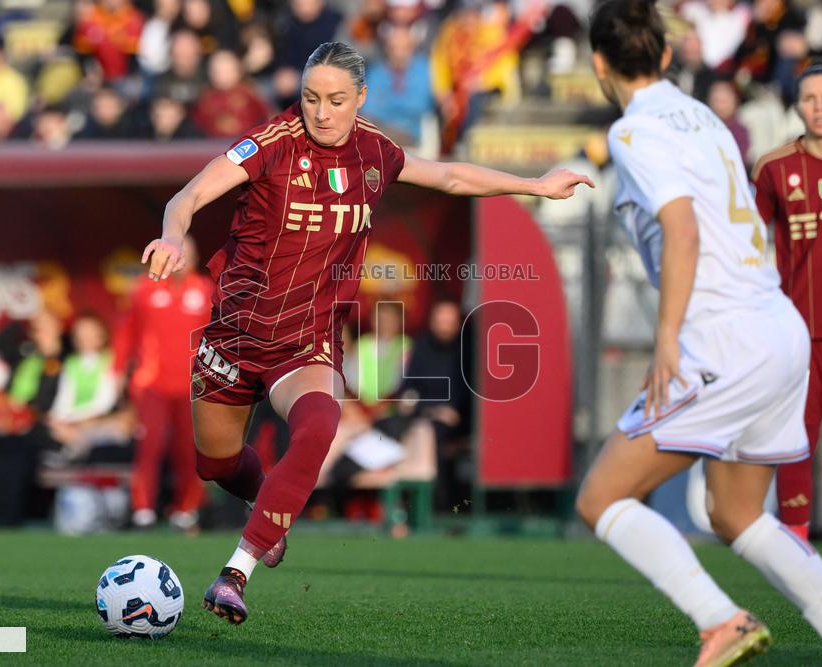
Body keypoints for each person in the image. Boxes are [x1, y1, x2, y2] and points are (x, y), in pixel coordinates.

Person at [142, 40, 592, 625]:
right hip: (234, 335)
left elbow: (452, 176)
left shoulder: (377, 153)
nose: (320, 112)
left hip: (305, 339)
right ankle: (265, 508)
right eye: (310, 98)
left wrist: (534, 185)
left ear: (361, 98)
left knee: (320, 424)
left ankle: (237, 570)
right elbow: (191, 194)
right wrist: (174, 235)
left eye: (334, 100)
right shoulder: (271, 144)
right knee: (216, 465)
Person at [574, 3, 822, 666]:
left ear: (598, 64)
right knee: (737, 514)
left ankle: (720, 619)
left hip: (722, 339)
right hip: (778, 327)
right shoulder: (703, 115)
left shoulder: (634, 132)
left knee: (601, 496)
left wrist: (668, 336)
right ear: (669, 56)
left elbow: (682, 229)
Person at [751, 63, 822, 543]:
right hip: (800, 333)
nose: (819, 107)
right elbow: (749, 244)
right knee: (795, 439)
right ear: (797, 106)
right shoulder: (775, 169)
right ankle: (793, 544)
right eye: (810, 98)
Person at [114, 236, 214, 531]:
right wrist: (117, 372)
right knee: (149, 446)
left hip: (194, 385)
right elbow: (126, 336)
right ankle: (143, 510)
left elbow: (221, 339)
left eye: (186, 253)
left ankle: (186, 510)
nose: (180, 259)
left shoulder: (207, 291)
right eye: (175, 253)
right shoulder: (144, 291)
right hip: (151, 384)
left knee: (189, 449)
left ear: (194, 258)